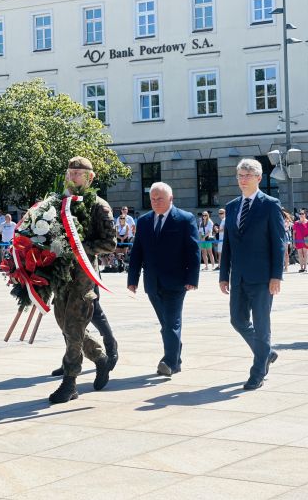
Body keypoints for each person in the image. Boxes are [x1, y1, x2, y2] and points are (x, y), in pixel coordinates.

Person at [49, 156, 117, 404]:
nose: (73, 177)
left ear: (90, 178)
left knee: (74, 328)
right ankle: (100, 358)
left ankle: (70, 383)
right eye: (70, 172)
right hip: (61, 277)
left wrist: (81, 247)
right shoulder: (58, 205)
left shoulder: (99, 206)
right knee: (65, 325)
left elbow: (110, 243)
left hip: (83, 278)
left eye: (79, 173)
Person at [219, 158, 285, 391]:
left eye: (248, 175)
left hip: (263, 277)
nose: (243, 179)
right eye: (240, 175)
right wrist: (223, 274)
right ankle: (266, 352)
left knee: (262, 324)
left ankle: (257, 372)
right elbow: (227, 243)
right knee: (237, 320)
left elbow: (279, 243)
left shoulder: (270, 204)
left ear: (259, 178)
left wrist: (276, 275)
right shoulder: (232, 206)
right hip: (238, 277)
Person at [128, 182, 200, 376]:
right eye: (152, 198)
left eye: (160, 198)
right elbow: (137, 252)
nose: (155, 202)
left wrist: (192, 278)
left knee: (171, 322)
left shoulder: (185, 219)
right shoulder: (143, 221)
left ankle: (169, 362)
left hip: (176, 282)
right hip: (152, 282)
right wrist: (132, 279)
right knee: (166, 324)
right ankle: (175, 356)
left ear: (171, 199)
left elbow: (193, 250)